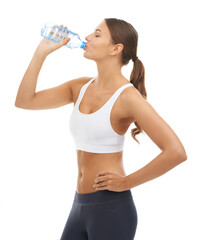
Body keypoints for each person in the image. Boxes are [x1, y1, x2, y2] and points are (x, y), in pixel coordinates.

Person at [15, 18, 187, 240]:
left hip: (111, 209)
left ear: (116, 49)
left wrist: (127, 181)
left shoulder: (128, 97)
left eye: (97, 34)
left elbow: (176, 152)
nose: (87, 37)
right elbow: (24, 101)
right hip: (79, 205)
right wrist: (41, 52)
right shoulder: (79, 87)